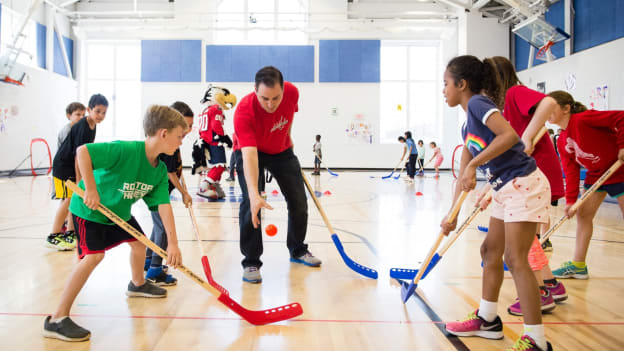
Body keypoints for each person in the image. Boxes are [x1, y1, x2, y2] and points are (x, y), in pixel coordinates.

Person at [43, 105, 187, 342]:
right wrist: (90, 189)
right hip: (90, 212)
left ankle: (137, 285)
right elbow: (83, 152)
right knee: (94, 257)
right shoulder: (126, 150)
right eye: (179, 136)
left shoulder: (159, 170)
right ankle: (57, 319)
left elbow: (164, 206)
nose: (181, 142)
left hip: (118, 213)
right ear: (163, 133)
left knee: (140, 244)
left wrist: (173, 243)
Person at [442, 55, 553, 351]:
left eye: (446, 84)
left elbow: (509, 136)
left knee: (516, 259)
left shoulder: (479, 103)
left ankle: (536, 340)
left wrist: (474, 164)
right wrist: (451, 214)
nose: (444, 90)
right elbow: (465, 172)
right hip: (506, 188)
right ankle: (487, 319)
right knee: (489, 249)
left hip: (524, 183)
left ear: (461, 84)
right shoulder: (468, 127)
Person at [489, 56, 566, 313]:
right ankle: (551, 283)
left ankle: (540, 292)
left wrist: (528, 135)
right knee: (528, 236)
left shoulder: (514, 92)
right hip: (525, 173)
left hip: (534, 171)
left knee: (520, 240)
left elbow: (549, 102)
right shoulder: (502, 107)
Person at [233, 66, 321, 284]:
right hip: (250, 152)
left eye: (275, 98)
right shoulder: (244, 110)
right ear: (254, 90)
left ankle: (298, 250)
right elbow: (250, 155)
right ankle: (251, 261)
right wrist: (255, 194)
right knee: (250, 204)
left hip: (282, 151)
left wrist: (287, 139)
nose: (270, 104)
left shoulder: (292, 92)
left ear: (283, 89)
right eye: (264, 99)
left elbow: (288, 117)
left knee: (299, 201)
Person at [547, 90, 624, 280]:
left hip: (620, 171)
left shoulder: (583, 119)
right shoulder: (563, 139)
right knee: (583, 214)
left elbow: (621, 118)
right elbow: (571, 171)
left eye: (550, 106)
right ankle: (578, 265)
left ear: (566, 108)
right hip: (596, 175)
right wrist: (570, 201)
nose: (545, 110)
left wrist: (622, 145)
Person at [47, 95, 107, 251]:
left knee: (74, 199)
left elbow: (86, 154)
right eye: (97, 111)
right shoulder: (83, 126)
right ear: (89, 110)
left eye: (104, 113)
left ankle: (70, 233)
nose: (101, 116)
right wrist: (82, 181)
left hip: (71, 166)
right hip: (64, 167)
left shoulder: (93, 126)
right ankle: (53, 235)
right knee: (68, 199)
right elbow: (78, 156)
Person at [144, 101, 195, 286]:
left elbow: (176, 170)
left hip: (162, 191)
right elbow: (170, 172)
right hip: (159, 192)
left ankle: (149, 260)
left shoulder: (175, 142)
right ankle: (155, 271)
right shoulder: (168, 144)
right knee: (163, 229)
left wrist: (184, 189)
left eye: (190, 125)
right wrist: (183, 193)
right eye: (187, 125)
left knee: (157, 228)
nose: (189, 130)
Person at [196, 85, 236, 199]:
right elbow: (216, 125)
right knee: (220, 166)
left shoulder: (204, 109)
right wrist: (225, 138)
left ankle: (214, 187)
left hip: (205, 140)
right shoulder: (216, 109)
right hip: (214, 141)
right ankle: (204, 186)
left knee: (215, 165)